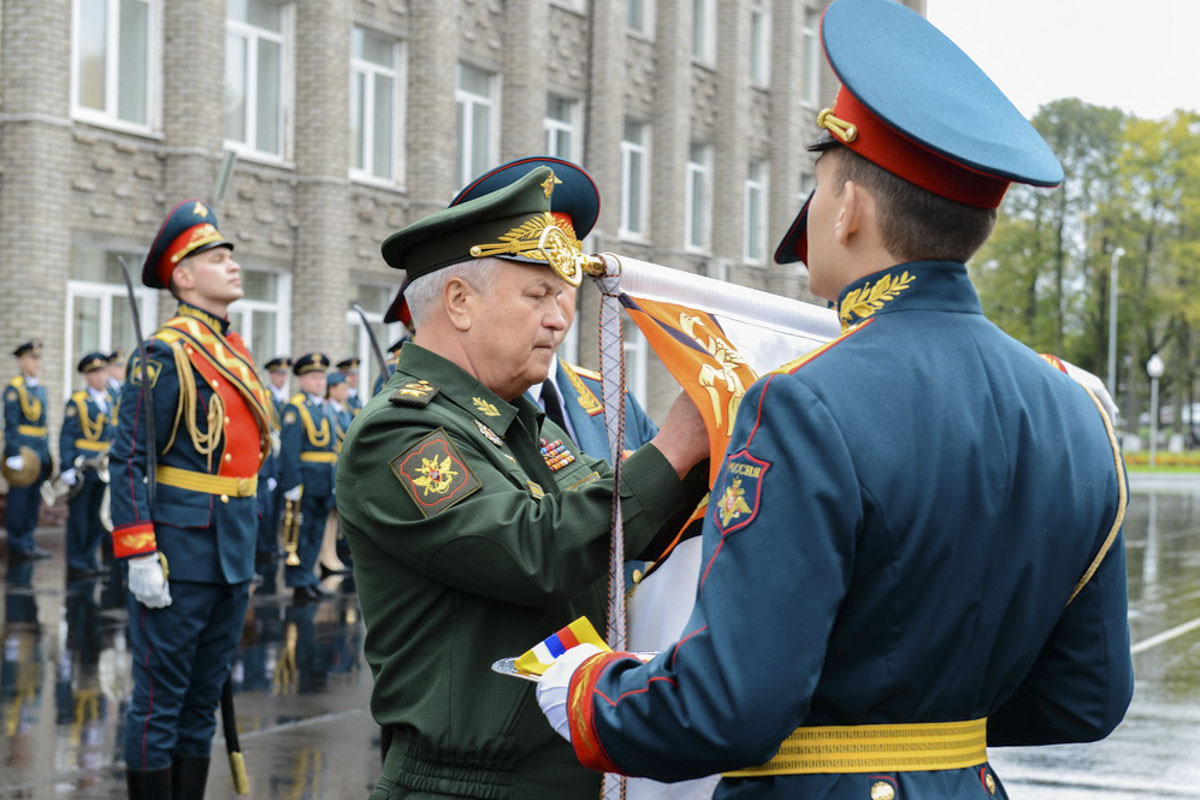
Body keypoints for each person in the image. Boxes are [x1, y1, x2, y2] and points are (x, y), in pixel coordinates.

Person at [535, 2, 1135, 799]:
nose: (811, 210)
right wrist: (927, 729)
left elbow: (727, 707)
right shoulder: (1078, 412)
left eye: (817, 184)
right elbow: (1086, 697)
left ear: (849, 207)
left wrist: (586, 690)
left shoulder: (802, 404)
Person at [336, 164, 709, 800]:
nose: (559, 319)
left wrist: (716, 447)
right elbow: (535, 551)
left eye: (563, 297)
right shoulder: (400, 433)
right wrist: (674, 446)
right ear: (458, 301)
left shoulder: (519, 423)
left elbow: (623, 523)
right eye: (537, 296)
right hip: (467, 786)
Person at [108, 199, 272, 799]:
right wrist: (139, 552)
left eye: (231, 257)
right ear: (182, 276)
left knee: (202, 702)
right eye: (217, 258)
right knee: (159, 703)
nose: (232, 267)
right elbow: (127, 459)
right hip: (178, 549)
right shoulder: (166, 354)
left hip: (231, 548)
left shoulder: (234, 351)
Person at [447, 156, 660, 460]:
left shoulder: (613, 398)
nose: (556, 310)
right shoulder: (453, 407)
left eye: (564, 282)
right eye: (537, 291)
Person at [278, 353, 339, 602]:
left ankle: (310, 577)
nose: (319, 382)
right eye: (314, 377)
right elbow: (290, 451)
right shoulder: (296, 407)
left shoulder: (323, 407)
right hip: (305, 481)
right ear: (301, 380)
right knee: (299, 535)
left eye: (322, 377)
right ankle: (298, 583)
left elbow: (332, 450)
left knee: (316, 533)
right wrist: (292, 485)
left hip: (323, 481)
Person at [59, 352, 117, 579]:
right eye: (94, 373)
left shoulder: (112, 400)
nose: (99, 377)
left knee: (98, 516)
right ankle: (77, 561)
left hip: (104, 468)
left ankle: (91, 558)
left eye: (102, 371)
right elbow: (67, 436)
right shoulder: (78, 401)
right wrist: (66, 467)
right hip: (83, 467)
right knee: (79, 517)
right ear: (85, 376)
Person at [3, 340, 52, 560]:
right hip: (22, 452)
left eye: (38, 358)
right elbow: (10, 424)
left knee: (33, 501)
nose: (36, 363)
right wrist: (12, 453)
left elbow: (43, 425)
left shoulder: (40, 389)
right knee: (19, 500)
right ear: (21, 361)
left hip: (39, 453)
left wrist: (47, 454)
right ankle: (17, 542)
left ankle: (29, 540)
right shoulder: (15, 389)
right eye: (32, 358)